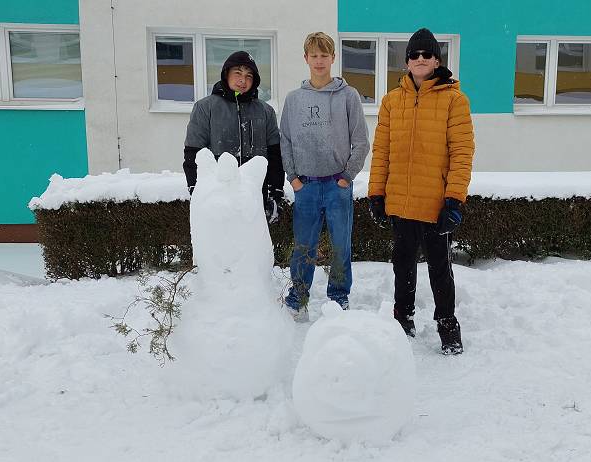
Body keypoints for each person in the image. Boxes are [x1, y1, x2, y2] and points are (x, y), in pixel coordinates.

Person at [367, 28, 475, 355]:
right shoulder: (391, 101)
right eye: (414, 55)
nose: (420, 60)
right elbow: (381, 150)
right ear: (407, 61)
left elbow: (462, 152)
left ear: (437, 60)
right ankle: (403, 317)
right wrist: (376, 193)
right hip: (400, 200)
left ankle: (447, 325)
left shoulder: (454, 100)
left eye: (426, 54)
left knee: (440, 269)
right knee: (403, 264)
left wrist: (454, 200)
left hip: (434, 204)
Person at [280, 32, 370, 321]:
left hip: (337, 184)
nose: (319, 61)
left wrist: (347, 176)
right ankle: (299, 298)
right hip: (305, 185)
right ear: (306, 58)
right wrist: (293, 178)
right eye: (314, 55)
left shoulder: (348, 96)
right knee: (303, 246)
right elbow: (286, 141)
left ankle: (338, 298)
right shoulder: (294, 100)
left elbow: (361, 140)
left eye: (324, 55)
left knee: (341, 244)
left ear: (333, 58)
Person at [183, 51, 285, 223]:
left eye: (248, 76)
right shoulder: (205, 108)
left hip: (255, 196)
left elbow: (275, 155)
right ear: (226, 74)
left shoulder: (265, 112)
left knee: (253, 248)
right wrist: (195, 189)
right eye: (237, 73)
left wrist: (276, 192)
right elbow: (193, 152)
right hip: (217, 197)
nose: (243, 80)